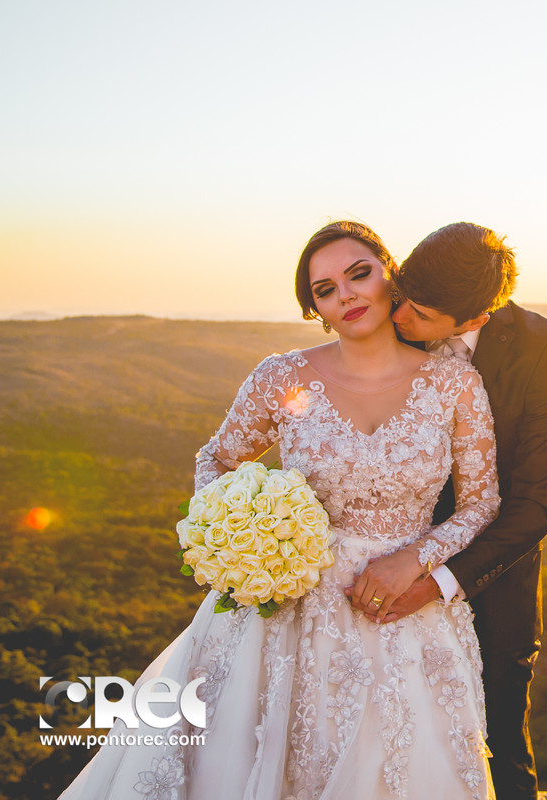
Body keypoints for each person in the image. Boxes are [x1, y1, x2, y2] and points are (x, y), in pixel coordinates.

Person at [59, 220, 500, 799]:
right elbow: (217, 459)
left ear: (391, 276)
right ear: (315, 308)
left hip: (401, 612)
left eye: (359, 274)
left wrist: (416, 557)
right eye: (324, 289)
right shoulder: (281, 377)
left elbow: (480, 504)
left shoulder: (454, 384)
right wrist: (237, 542)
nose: (345, 294)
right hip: (285, 607)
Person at [348, 222, 547, 800]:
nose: (398, 319)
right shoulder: (386, 324)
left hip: (492, 586)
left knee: (498, 751)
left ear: (474, 320)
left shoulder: (540, 347)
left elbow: (539, 498)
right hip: (373, 576)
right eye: (401, 296)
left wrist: (440, 580)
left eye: (419, 315)